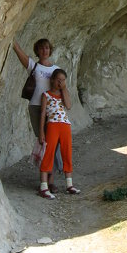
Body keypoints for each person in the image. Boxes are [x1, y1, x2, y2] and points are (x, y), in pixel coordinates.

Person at [13, 38, 63, 190]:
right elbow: (20, 53)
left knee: (54, 143)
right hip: (36, 107)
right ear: (37, 51)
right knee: (44, 142)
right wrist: (13, 40)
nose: (44, 51)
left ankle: (51, 179)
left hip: (51, 109)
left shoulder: (56, 69)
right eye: (41, 48)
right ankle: (45, 180)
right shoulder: (34, 67)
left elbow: (62, 88)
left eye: (47, 48)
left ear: (50, 50)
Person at [38, 68, 80, 198]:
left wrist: (64, 89)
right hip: (52, 125)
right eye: (58, 80)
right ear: (52, 80)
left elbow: (68, 105)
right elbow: (43, 114)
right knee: (49, 152)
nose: (60, 82)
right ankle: (44, 186)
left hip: (65, 125)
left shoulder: (63, 94)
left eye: (63, 80)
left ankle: (69, 184)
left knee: (67, 152)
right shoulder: (46, 95)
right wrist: (41, 132)